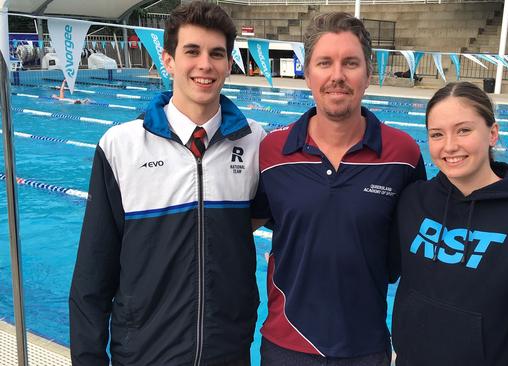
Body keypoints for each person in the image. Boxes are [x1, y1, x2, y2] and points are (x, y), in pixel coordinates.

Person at [69, 2, 265, 365]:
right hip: (145, 353)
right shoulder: (121, 146)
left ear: (228, 63)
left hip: (227, 352)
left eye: (216, 54)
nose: (205, 65)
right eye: (192, 51)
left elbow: (263, 222)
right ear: (169, 60)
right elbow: (92, 275)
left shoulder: (254, 143)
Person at [251, 12, 426, 365]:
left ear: (368, 72)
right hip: (287, 345)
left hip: (366, 346)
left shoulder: (403, 154)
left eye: (350, 63)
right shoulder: (272, 151)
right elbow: (238, 228)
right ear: (307, 73)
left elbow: (416, 253)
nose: (337, 76)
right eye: (324, 63)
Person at [391, 81, 508, 365]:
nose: (450, 146)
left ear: (492, 133)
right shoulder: (414, 200)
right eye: (437, 134)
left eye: (464, 130)